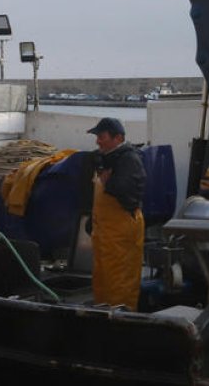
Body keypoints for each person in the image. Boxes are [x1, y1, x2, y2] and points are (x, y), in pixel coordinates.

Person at [86, 117, 145, 309]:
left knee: (120, 280)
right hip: (104, 232)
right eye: (97, 137)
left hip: (121, 232)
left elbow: (129, 193)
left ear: (118, 138)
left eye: (101, 136)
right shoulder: (106, 159)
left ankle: (123, 317)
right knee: (102, 278)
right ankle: (102, 315)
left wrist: (108, 181)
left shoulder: (129, 159)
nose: (98, 141)